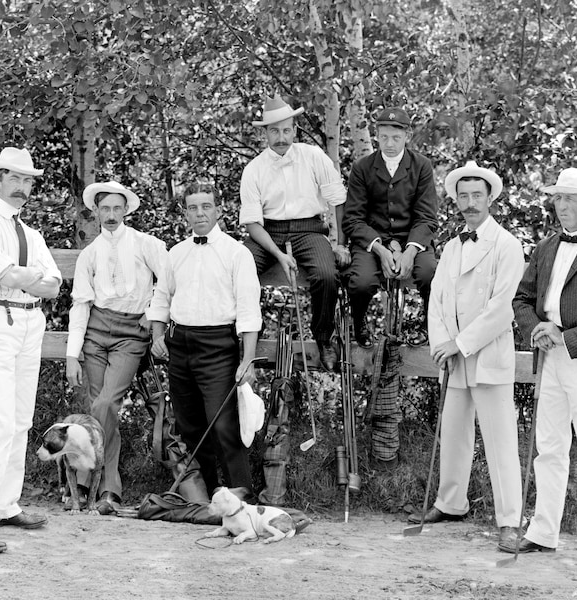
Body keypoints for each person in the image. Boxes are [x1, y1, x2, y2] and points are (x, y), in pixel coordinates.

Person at [408, 161, 524, 550]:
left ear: (490, 198)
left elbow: (503, 308)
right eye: (464, 196)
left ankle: (510, 519)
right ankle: (450, 503)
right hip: (453, 356)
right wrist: (443, 344)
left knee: (500, 439)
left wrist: (461, 343)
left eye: (477, 196)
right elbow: (438, 300)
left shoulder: (507, 246)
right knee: (454, 433)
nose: (470, 203)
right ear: (456, 200)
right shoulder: (453, 246)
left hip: (486, 354)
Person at [147, 182, 262, 497]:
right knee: (190, 425)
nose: (199, 213)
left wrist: (247, 359)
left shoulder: (236, 253)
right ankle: (210, 495)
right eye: (193, 207)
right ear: (185, 213)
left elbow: (249, 310)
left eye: (206, 206)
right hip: (180, 343)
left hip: (218, 345)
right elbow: (161, 299)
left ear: (219, 210)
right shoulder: (176, 253)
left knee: (223, 423)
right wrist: (159, 335)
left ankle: (242, 493)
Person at [342, 107, 439, 470]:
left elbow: (428, 216)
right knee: (362, 280)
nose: (391, 138)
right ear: (377, 134)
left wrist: (412, 249)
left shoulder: (422, 166)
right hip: (373, 243)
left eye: (398, 133)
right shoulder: (364, 168)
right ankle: (360, 323)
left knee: (431, 274)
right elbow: (353, 218)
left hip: (414, 242)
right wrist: (381, 247)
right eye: (385, 132)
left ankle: (434, 328)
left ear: (407, 136)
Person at [66, 181, 167, 514]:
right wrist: (71, 355)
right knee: (100, 407)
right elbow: (80, 304)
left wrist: (153, 316)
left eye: (116, 208)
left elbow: (170, 279)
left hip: (130, 332)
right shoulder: (90, 254)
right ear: (95, 211)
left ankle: (83, 474)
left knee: (107, 403)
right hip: (96, 331)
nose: (110, 215)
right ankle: (109, 490)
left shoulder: (145, 244)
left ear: (126, 210)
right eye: (104, 208)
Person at [0, 147, 62, 554]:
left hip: (31, 322)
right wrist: (31, 279)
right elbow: (3, 275)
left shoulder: (32, 235)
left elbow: (54, 283)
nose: (22, 187)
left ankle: (5, 506)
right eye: (13, 178)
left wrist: (24, 279)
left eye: (28, 180)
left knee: (20, 419)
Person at [239, 94, 351, 371]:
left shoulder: (313, 156)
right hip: (268, 232)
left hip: (309, 229)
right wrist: (277, 254)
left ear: (295, 130)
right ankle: (248, 335)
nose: (281, 137)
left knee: (326, 275)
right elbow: (252, 223)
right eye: (274, 131)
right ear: (265, 133)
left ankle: (324, 337)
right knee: (240, 269)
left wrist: (339, 243)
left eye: (286, 129)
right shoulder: (254, 169)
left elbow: (338, 200)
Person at [504, 167, 577, 554]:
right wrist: (536, 328)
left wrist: (566, 336)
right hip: (549, 357)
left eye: (569, 197)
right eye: (557, 197)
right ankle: (542, 532)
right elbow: (521, 298)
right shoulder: (547, 246)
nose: (560, 204)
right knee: (549, 446)